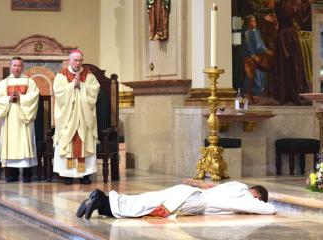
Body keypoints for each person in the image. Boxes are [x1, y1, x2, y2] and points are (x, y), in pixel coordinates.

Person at [76, 181, 276, 219]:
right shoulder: (244, 194)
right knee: (146, 208)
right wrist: (263, 204)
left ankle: (100, 200)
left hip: (187, 193)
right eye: (257, 199)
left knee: (145, 200)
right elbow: (269, 210)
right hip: (194, 201)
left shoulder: (235, 185)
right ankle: (102, 201)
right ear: (256, 195)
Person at [53, 50, 100, 185]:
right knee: (67, 143)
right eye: (75, 60)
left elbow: (94, 90)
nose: (78, 63)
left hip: (84, 118)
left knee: (85, 142)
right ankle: (68, 175)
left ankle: (84, 175)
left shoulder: (88, 75)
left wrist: (82, 86)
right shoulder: (61, 75)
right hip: (68, 117)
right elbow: (58, 93)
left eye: (80, 60)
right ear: (70, 60)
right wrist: (72, 85)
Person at [0, 56, 39, 183]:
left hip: (25, 119)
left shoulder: (30, 82)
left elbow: (34, 97)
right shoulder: (4, 83)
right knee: (10, 144)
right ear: (10, 66)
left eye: (19, 65)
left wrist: (21, 98)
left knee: (26, 144)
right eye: (14, 65)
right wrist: (8, 99)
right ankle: (11, 175)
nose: (17, 68)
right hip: (10, 120)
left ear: (22, 67)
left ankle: (27, 175)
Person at [242, 15, 274, 103]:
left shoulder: (257, 31)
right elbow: (249, 46)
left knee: (265, 65)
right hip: (250, 55)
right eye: (252, 21)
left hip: (260, 53)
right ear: (248, 23)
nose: (254, 23)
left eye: (254, 21)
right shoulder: (247, 33)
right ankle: (251, 92)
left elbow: (260, 43)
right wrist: (253, 55)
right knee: (252, 69)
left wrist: (266, 50)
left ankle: (261, 91)